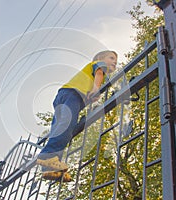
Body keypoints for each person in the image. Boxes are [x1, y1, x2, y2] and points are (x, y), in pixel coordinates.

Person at [37, 50, 118, 182]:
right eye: (112, 58)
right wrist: (96, 88)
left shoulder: (91, 73)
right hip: (73, 94)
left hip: (63, 95)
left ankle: (50, 168)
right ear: (101, 58)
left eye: (116, 60)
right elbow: (98, 73)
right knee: (66, 125)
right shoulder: (98, 64)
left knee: (61, 128)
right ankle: (47, 157)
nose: (115, 62)